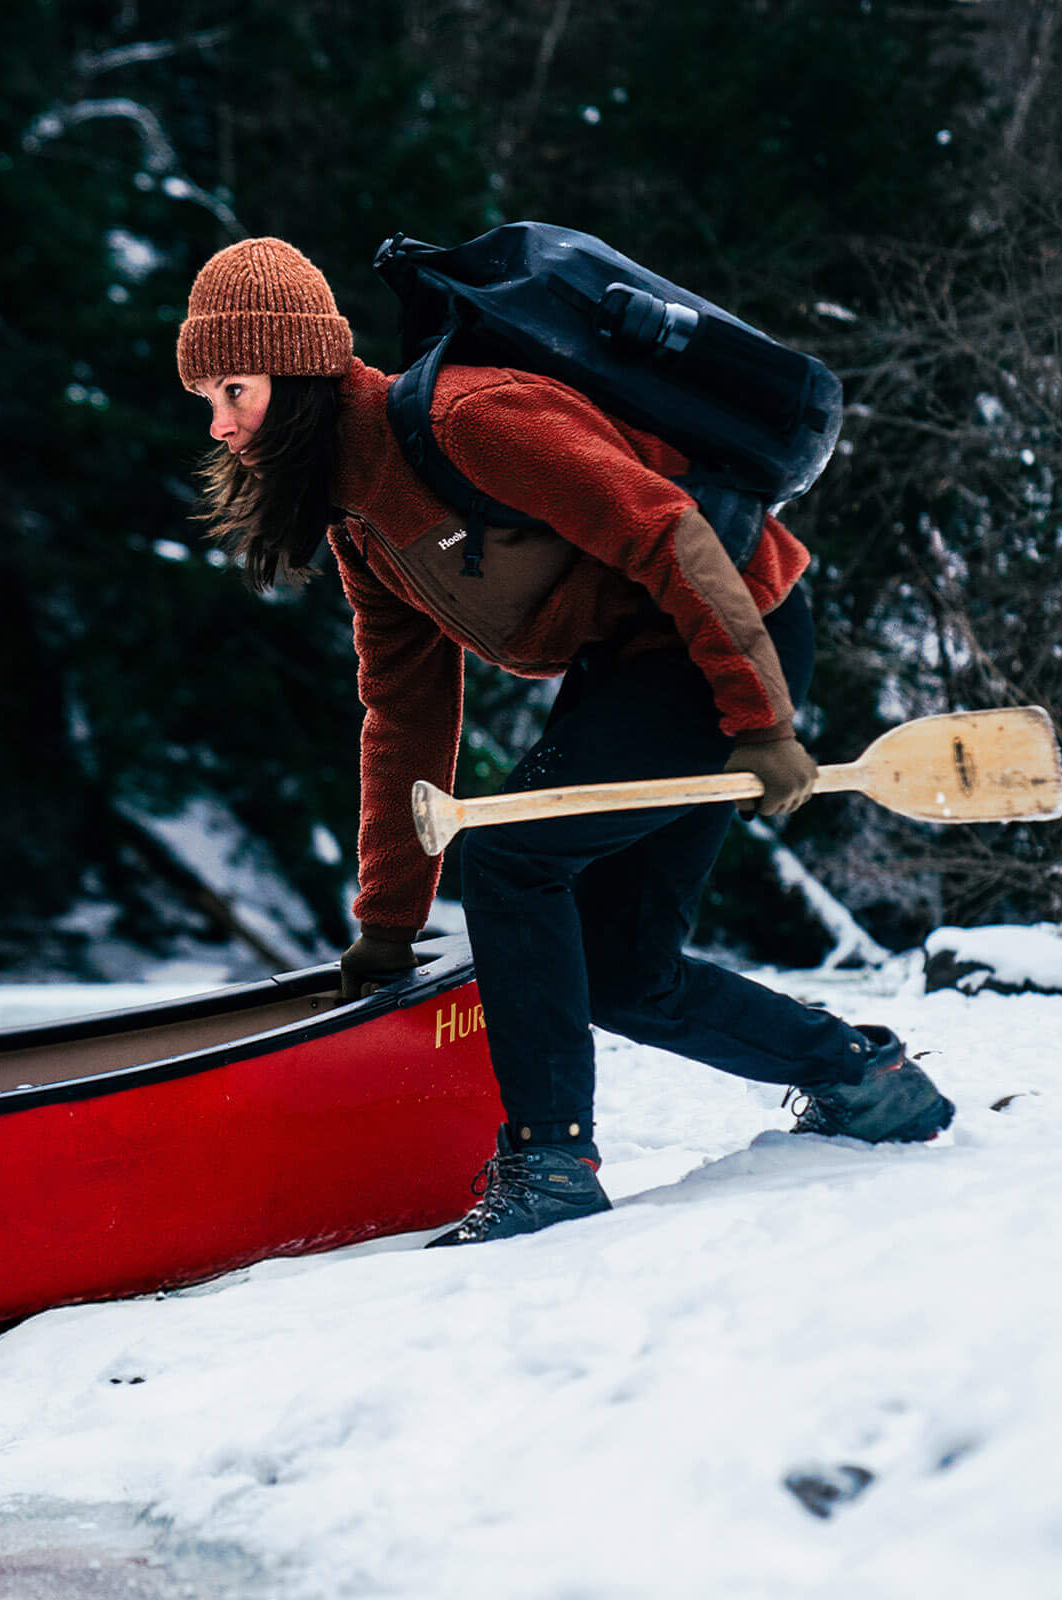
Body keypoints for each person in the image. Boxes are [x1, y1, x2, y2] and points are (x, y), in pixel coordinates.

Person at [174, 236, 953, 1247]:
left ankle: (549, 1162)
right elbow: (406, 718)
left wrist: (756, 719)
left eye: (232, 389)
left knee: (508, 860)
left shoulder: (468, 417)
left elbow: (669, 532)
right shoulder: (361, 523)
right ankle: (862, 1076)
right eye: (205, 401)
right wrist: (384, 922)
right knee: (619, 967)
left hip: (724, 625)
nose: (220, 424)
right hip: (633, 662)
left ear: (301, 367)